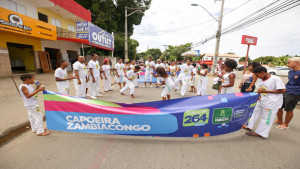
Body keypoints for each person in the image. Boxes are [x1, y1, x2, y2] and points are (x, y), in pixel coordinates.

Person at [245, 66, 286, 138]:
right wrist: (258, 95)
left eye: (257, 75)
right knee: (254, 112)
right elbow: (260, 89)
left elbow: (283, 90)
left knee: (266, 118)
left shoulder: (275, 79)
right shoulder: (261, 79)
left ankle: (261, 133)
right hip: (262, 100)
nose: (257, 77)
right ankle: (249, 126)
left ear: (263, 72)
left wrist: (266, 91)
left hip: (272, 102)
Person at [275, 57, 300, 129]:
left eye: (289, 62)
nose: (287, 64)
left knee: (289, 109)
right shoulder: (291, 71)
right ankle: (279, 121)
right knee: (279, 106)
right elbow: (290, 81)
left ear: (296, 63)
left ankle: (285, 124)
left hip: (294, 93)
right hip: (286, 90)